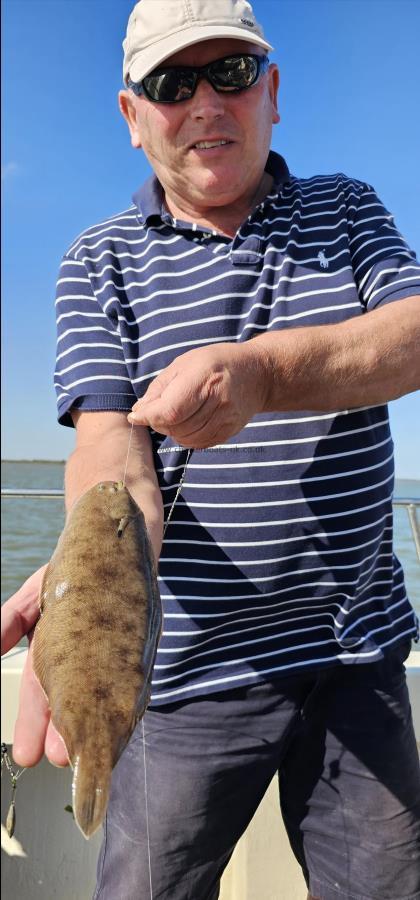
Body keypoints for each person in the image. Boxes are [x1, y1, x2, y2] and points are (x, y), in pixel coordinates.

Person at [2, 0, 420, 897]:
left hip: (357, 657)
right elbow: (111, 449)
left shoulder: (348, 210)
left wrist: (263, 376)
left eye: (230, 73)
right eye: (171, 83)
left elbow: (412, 337)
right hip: (185, 675)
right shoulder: (97, 259)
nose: (204, 103)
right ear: (132, 115)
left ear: (271, 92)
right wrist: (88, 567)